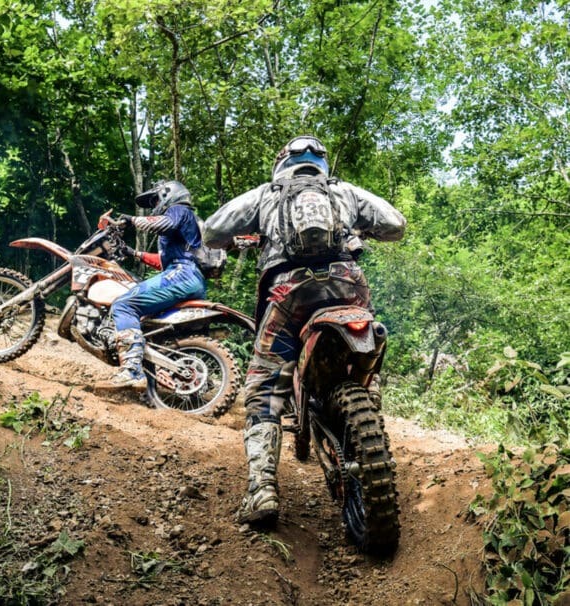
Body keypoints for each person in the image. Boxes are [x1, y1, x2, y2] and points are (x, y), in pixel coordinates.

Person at [203, 135, 406, 525]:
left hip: (289, 291)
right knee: (370, 354)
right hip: (348, 282)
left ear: (281, 163)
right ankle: (369, 420)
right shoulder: (343, 190)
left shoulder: (267, 193)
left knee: (263, 389)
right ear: (323, 164)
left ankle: (261, 491)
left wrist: (242, 239)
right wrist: (364, 232)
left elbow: (212, 231)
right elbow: (396, 224)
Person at [96, 180, 206, 391]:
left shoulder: (179, 210)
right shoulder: (182, 224)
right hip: (184, 274)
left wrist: (131, 220)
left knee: (123, 305)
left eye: (156, 199)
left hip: (182, 274)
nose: (154, 204)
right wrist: (133, 253)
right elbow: (164, 261)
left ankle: (131, 371)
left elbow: (164, 224)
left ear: (169, 194)